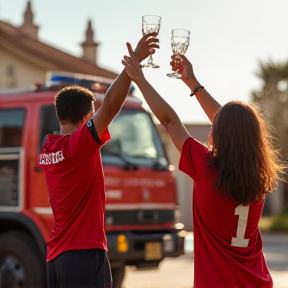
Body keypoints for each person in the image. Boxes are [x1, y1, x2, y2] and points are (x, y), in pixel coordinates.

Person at [121, 43, 286, 288]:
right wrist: (193, 84)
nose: (211, 127)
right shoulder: (258, 174)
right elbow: (236, 130)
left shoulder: (207, 167)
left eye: (214, 127)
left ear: (220, 134)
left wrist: (141, 80)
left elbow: (169, 120)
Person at [39, 32, 159, 288]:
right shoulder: (79, 145)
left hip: (56, 259)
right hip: (84, 255)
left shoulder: (48, 148)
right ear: (86, 119)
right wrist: (134, 61)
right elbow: (113, 105)